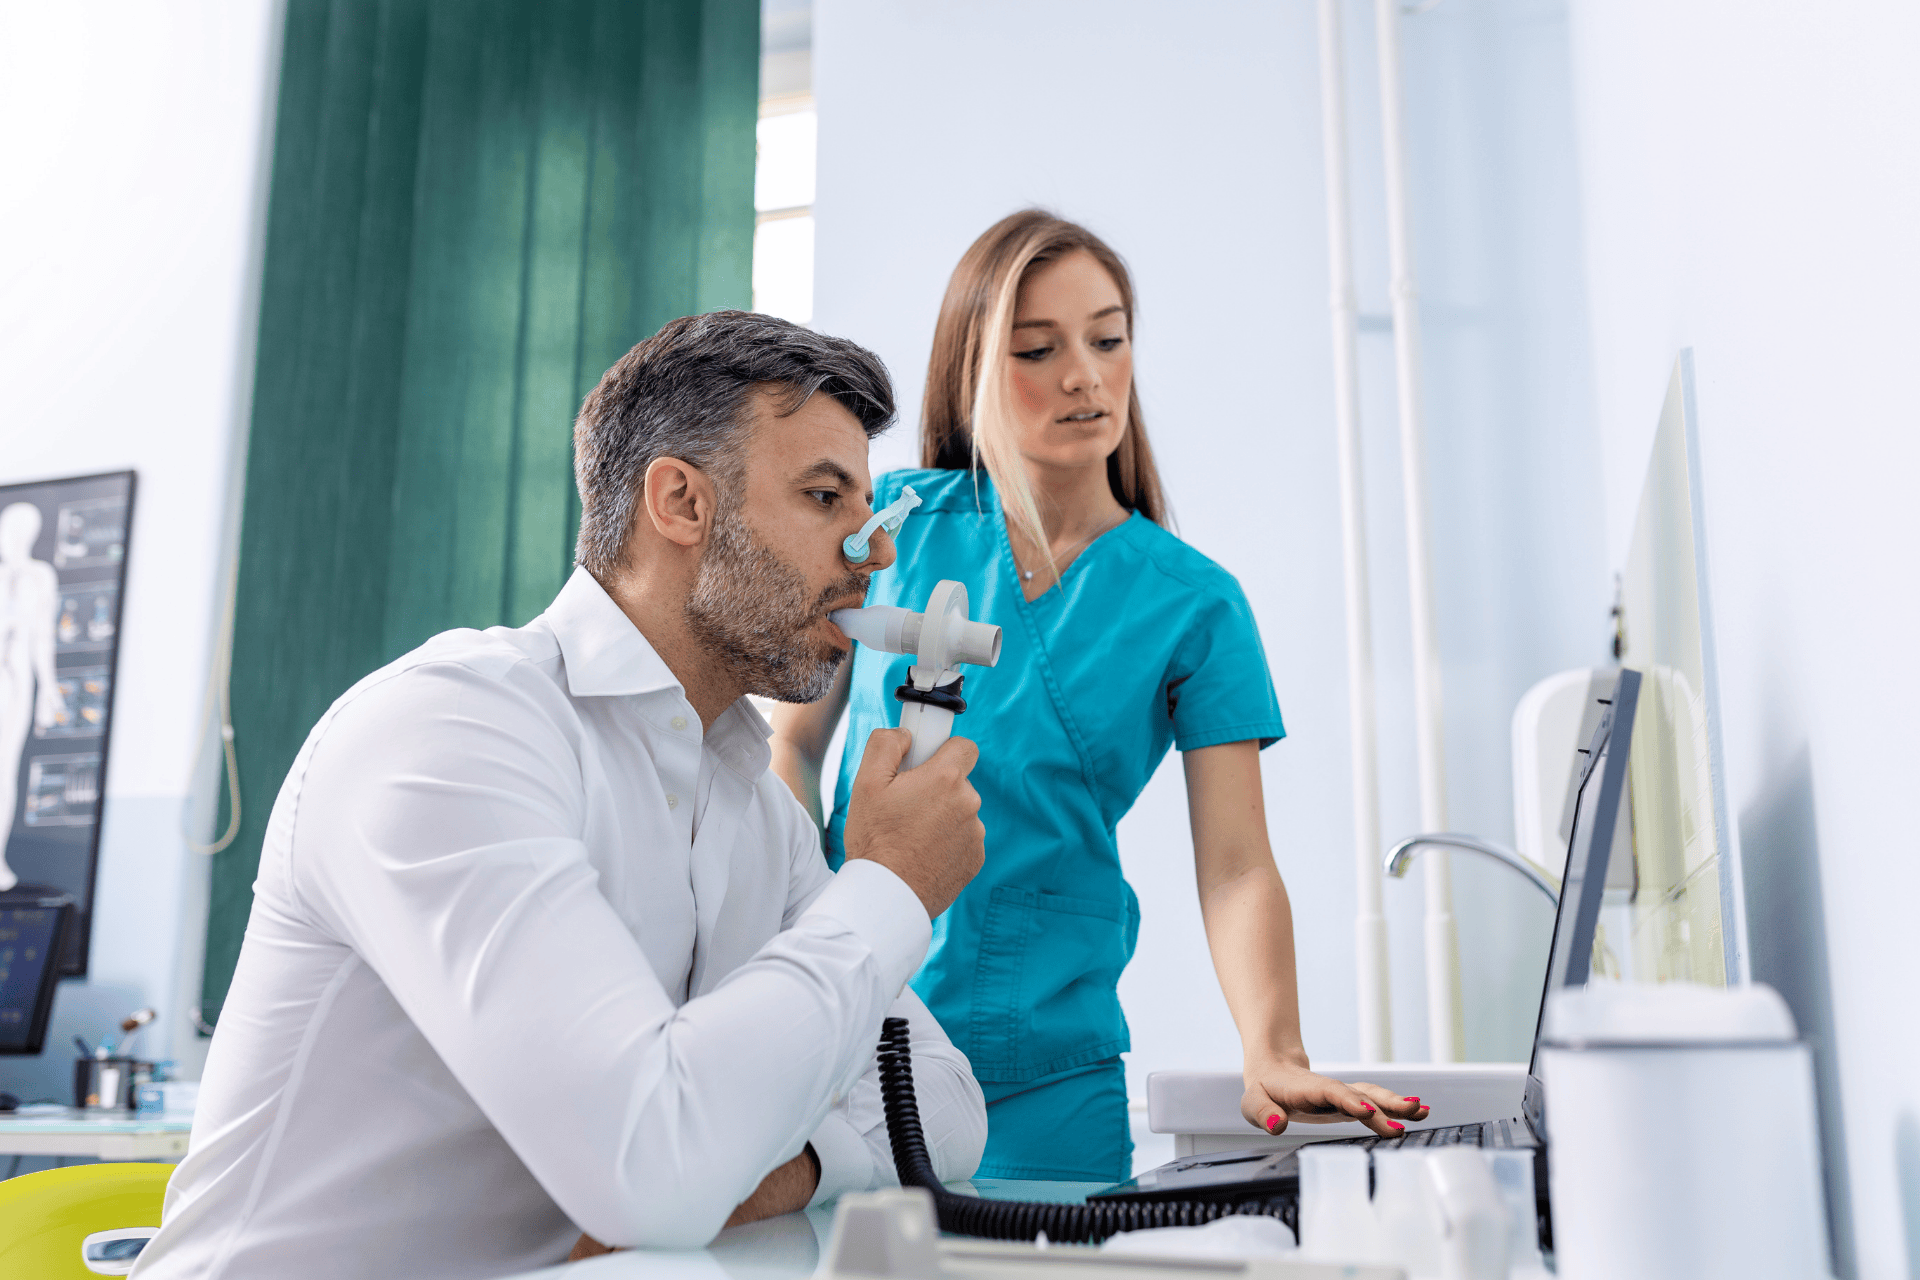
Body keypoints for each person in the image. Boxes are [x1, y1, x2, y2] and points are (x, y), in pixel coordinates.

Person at [135, 313, 988, 1280]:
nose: (874, 554)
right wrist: (887, 885)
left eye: (866, 508)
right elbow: (649, 1167)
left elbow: (947, 1107)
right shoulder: (452, 732)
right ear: (681, 502)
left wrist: (769, 1178)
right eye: (825, 498)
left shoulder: (759, 813)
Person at [769, 212, 1428, 1184]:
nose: (1085, 375)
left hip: (1046, 1077)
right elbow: (790, 747)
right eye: (1039, 349)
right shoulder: (895, 530)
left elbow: (1237, 865)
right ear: (976, 366)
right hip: (848, 1045)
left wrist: (1274, 1046)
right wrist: (789, 936)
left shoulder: (1194, 605)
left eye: (1108, 339)